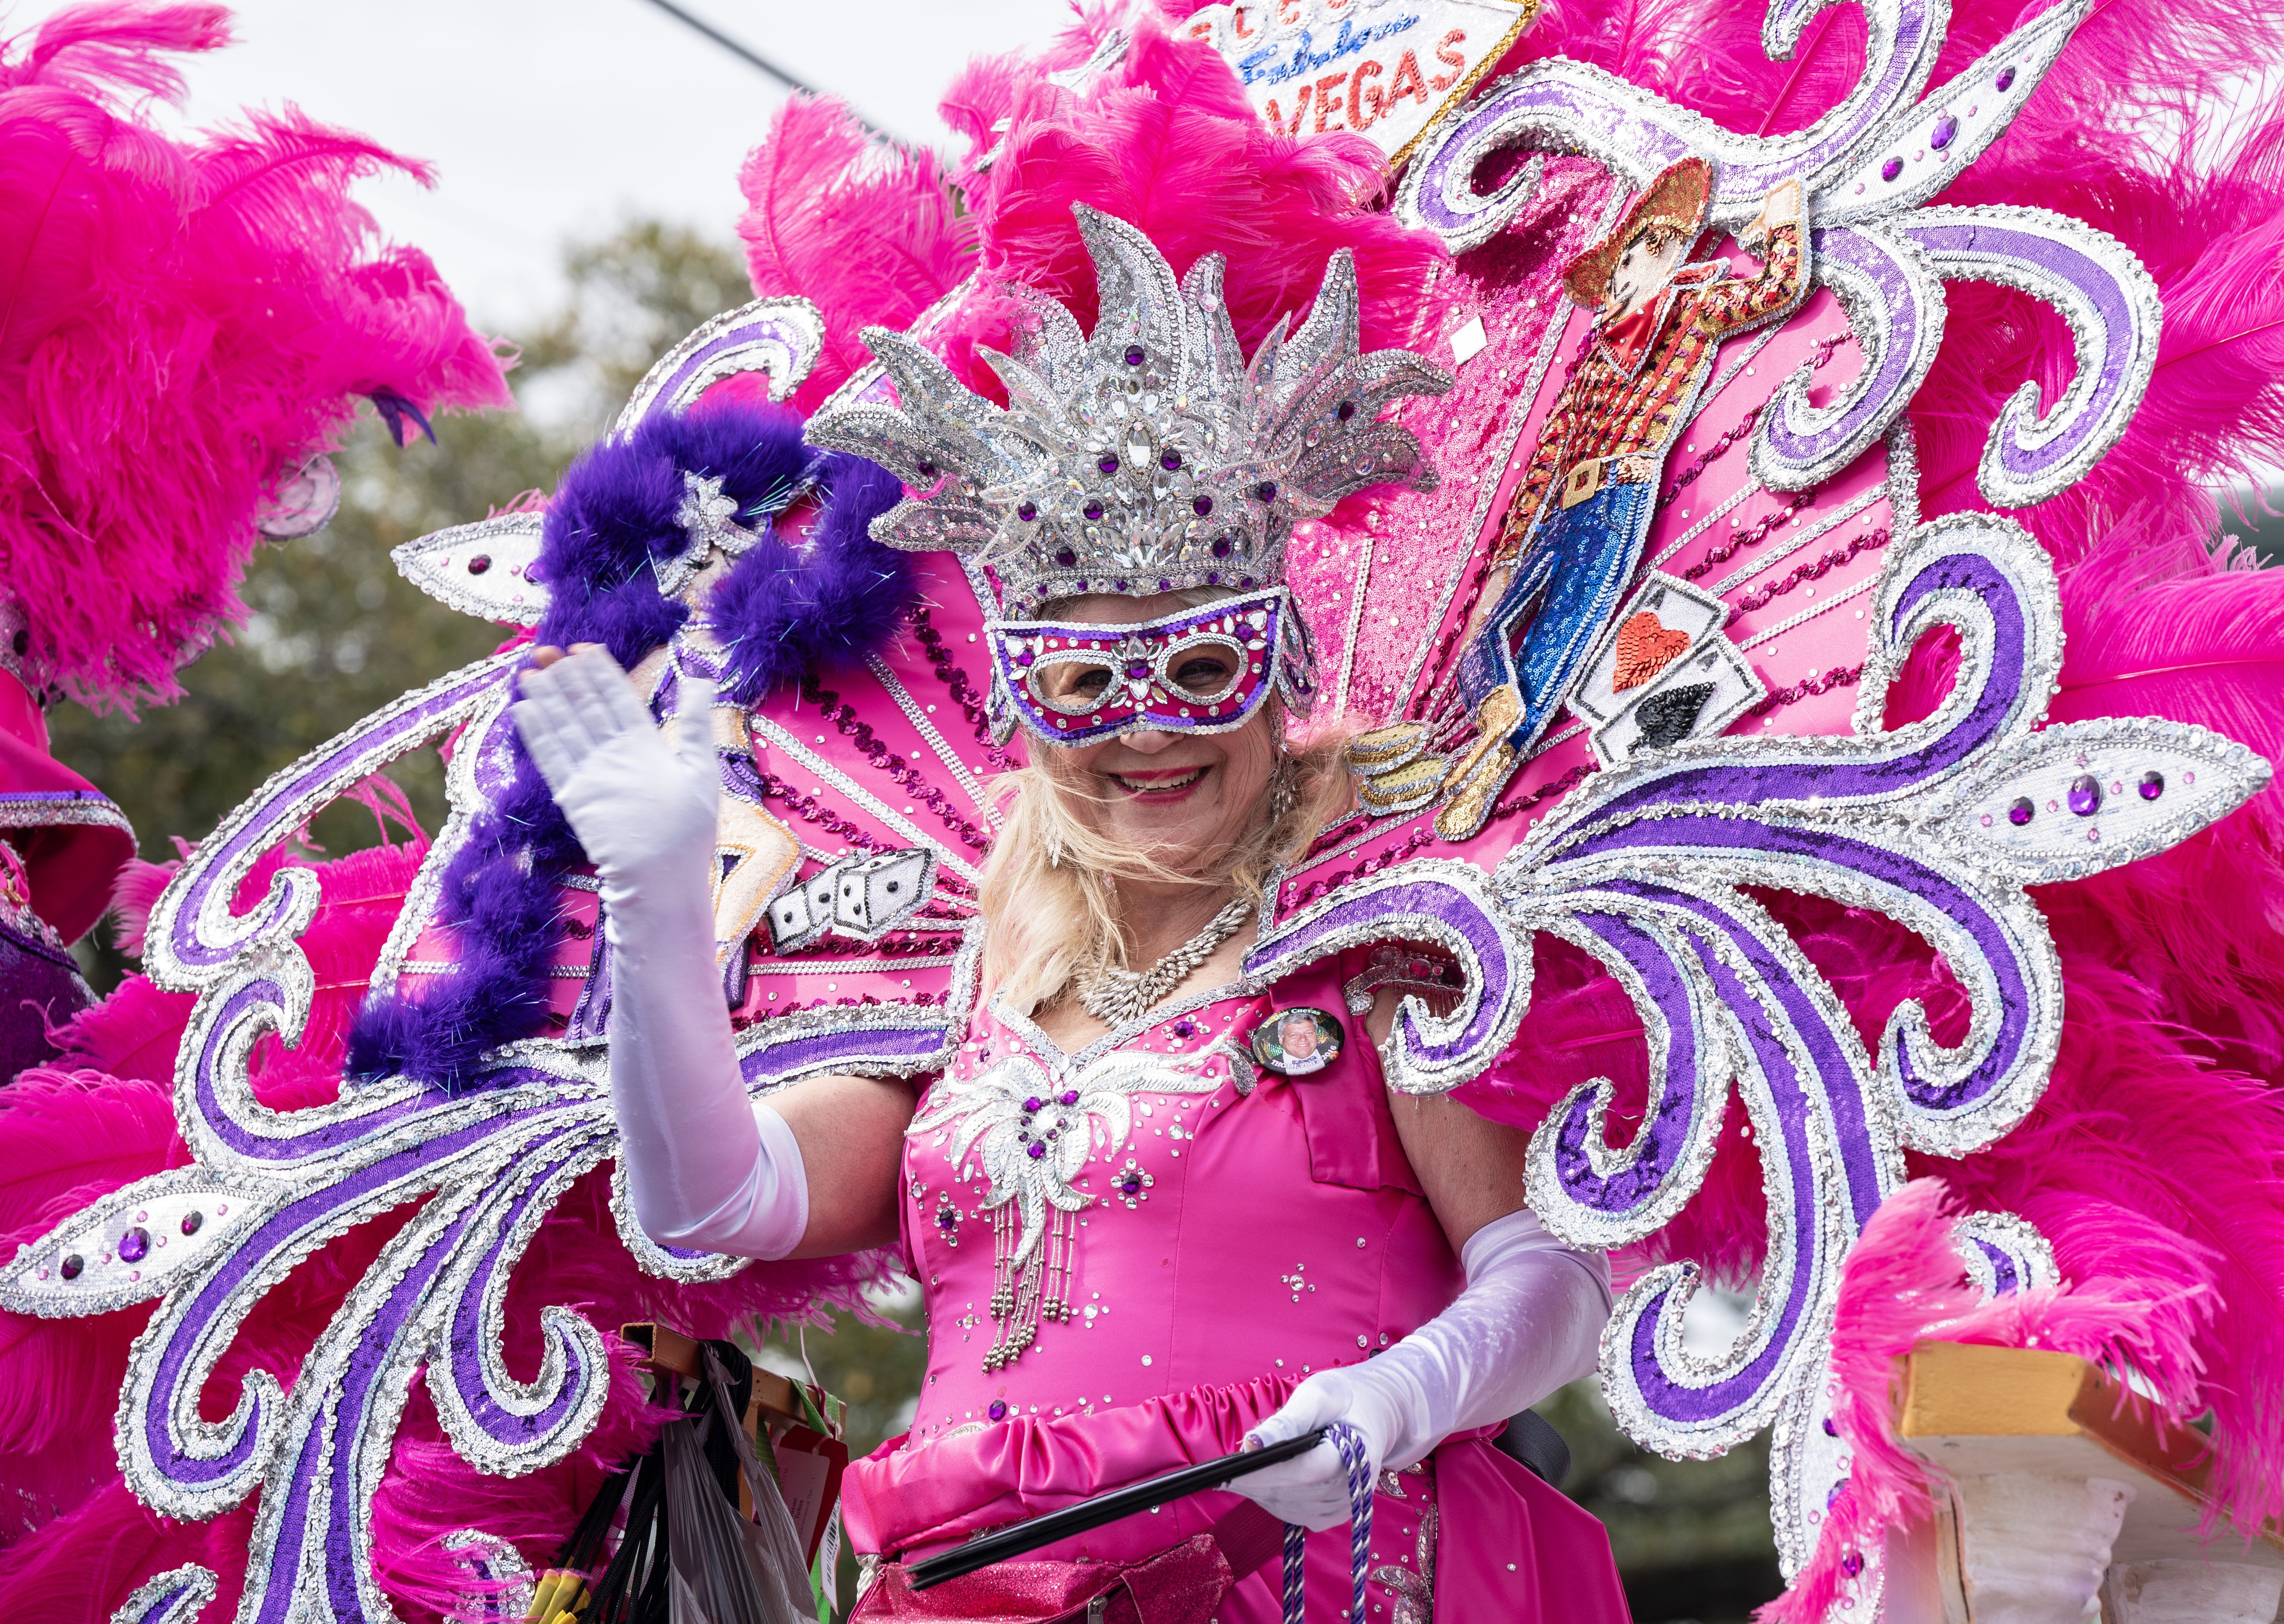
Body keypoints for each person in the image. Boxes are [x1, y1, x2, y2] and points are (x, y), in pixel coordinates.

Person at [508, 209, 1632, 1623]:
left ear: (1278, 671)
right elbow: (710, 1203)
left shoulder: (1379, 935)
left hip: (1295, 1577)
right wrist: (655, 910)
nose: (1148, 732)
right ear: (1025, 705)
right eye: (1091, 686)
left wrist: (1398, 1399)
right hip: (969, 1590)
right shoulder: (980, 970)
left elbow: (1549, 1278)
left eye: (1202, 666)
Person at [1434, 158, 1806, 838]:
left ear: (1658, 253)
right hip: (1561, 513)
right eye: (1603, 282)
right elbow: (1545, 462)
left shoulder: (1693, 308)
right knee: (1483, 639)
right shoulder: (1592, 364)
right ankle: (1490, 724)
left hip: (1617, 499)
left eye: (1618, 272)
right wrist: (1507, 557)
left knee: (1555, 643)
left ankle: (1489, 767)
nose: (1606, 295)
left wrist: (1782, 219)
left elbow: (1777, 289)